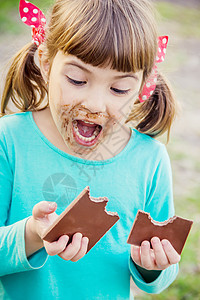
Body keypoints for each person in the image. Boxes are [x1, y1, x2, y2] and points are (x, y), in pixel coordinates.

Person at [0, 0, 181, 299]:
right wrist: (32, 234)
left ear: (141, 88)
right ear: (46, 63)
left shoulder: (150, 160)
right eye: (77, 79)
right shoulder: (9, 141)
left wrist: (152, 265)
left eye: (119, 89)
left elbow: (163, 275)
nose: (94, 105)